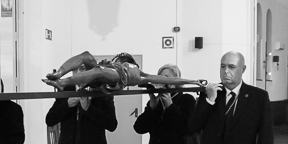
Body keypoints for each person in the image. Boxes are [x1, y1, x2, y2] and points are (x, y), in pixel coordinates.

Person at [44, 51, 206, 92]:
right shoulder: (113, 65)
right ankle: (60, 73)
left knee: (100, 70)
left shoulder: (142, 75)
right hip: (101, 75)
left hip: (114, 77)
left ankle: (63, 82)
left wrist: (192, 81)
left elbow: (169, 80)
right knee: (86, 56)